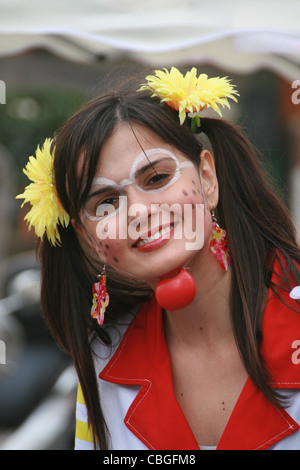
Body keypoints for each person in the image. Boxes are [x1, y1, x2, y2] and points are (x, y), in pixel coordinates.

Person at [17, 67, 300, 450]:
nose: (137, 212)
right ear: (87, 237)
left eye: (156, 178)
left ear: (207, 178)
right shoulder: (102, 361)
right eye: (106, 203)